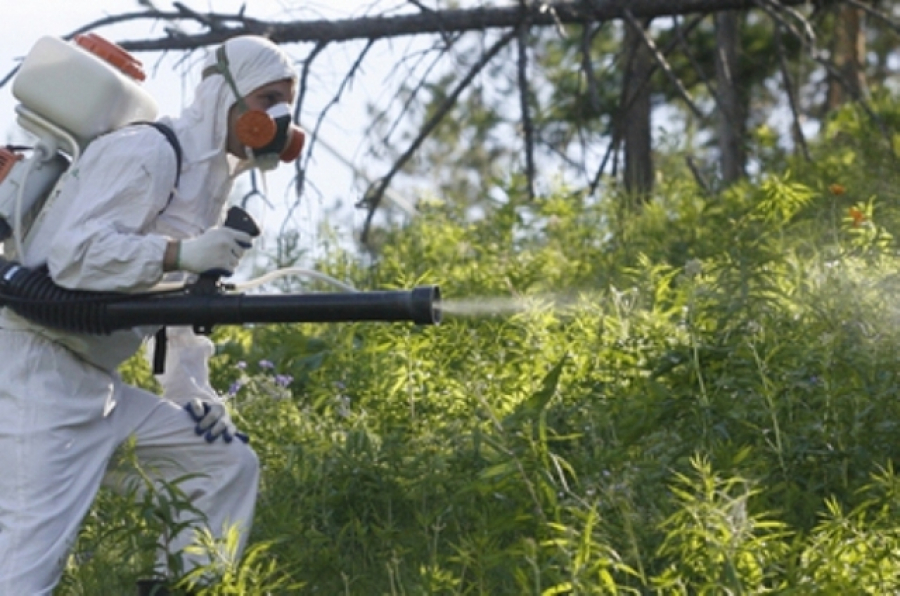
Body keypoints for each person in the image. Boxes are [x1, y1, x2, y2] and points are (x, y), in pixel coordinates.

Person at [0, 35, 301, 594]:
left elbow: (175, 309)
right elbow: (75, 258)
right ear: (223, 97)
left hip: (96, 389)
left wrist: (193, 391)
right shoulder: (150, 150)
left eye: (287, 102)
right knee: (22, 571)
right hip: (33, 375)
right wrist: (181, 253)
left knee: (222, 467)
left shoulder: (205, 184)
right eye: (267, 100)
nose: (279, 118)